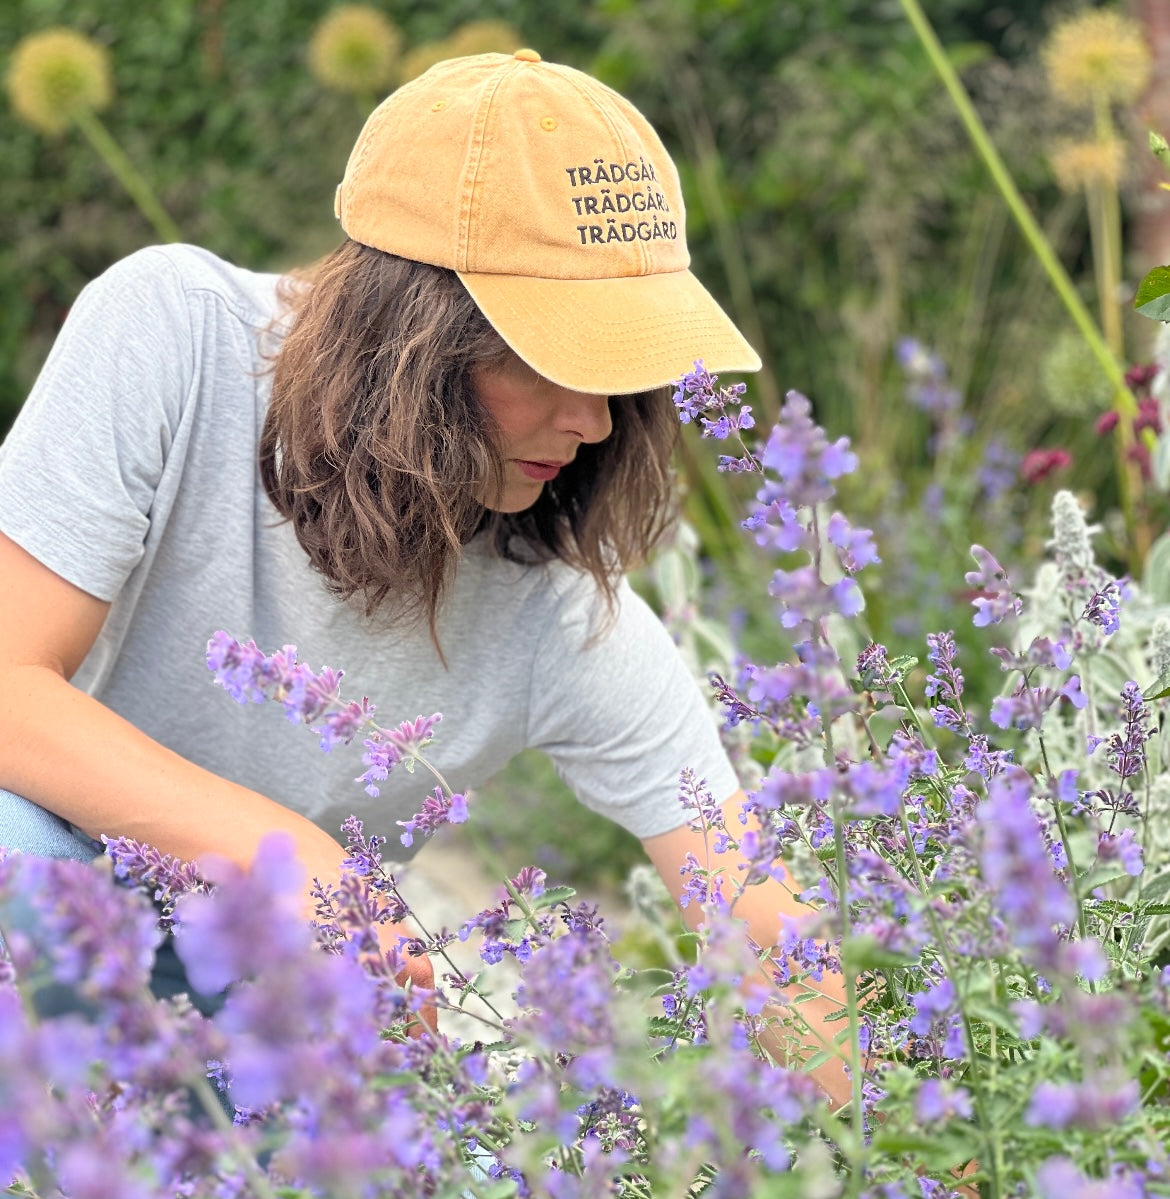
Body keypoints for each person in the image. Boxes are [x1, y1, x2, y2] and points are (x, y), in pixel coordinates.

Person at [0, 49, 853, 1106]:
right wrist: (286, 855)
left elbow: (758, 913)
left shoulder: (563, 619)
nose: (594, 423)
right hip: (52, 885)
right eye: (552, 360)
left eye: (620, 370)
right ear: (409, 330)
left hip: (279, 993)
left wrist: (919, 1188)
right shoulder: (175, 335)